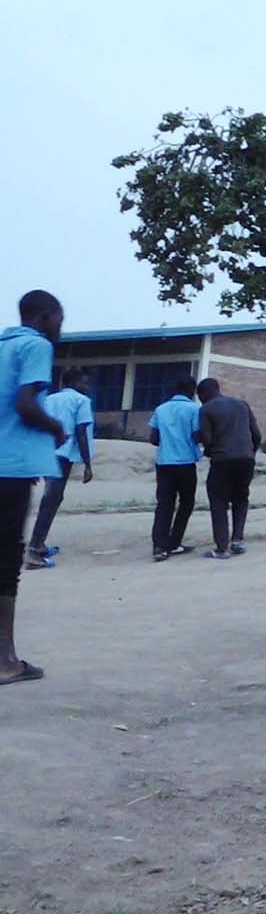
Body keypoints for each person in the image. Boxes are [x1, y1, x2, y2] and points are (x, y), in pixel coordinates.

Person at [1, 290, 66, 686]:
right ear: (43, 317)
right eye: (60, 318)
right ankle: (6, 660)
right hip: (12, 468)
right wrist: (55, 427)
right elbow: (26, 403)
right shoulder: (35, 344)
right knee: (7, 563)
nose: (61, 327)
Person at [27, 369, 93, 568]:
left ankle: (40, 544)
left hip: (47, 451)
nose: (87, 387)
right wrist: (88, 463)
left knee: (55, 497)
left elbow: (36, 426)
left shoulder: (48, 400)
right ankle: (34, 549)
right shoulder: (81, 401)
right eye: (84, 382)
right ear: (74, 382)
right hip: (62, 454)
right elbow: (81, 431)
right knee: (51, 499)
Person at [198, 378, 262, 560]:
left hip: (222, 459)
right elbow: (256, 434)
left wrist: (210, 452)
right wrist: (250, 452)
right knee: (241, 498)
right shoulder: (242, 405)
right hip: (246, 459)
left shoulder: (207, 409)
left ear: (202, 394)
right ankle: (237, 540)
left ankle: (221, 548)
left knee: (218, 501)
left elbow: (207, 439)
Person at [148, 375, 202, 561]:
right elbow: (197, 436)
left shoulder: (160, 409)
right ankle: (174, 542)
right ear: (192, 390)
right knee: (186, 503)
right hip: (186, 462)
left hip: (164, 462)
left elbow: (153, 438)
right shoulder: (194, 409)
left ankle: (159, 546)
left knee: (164, 504)